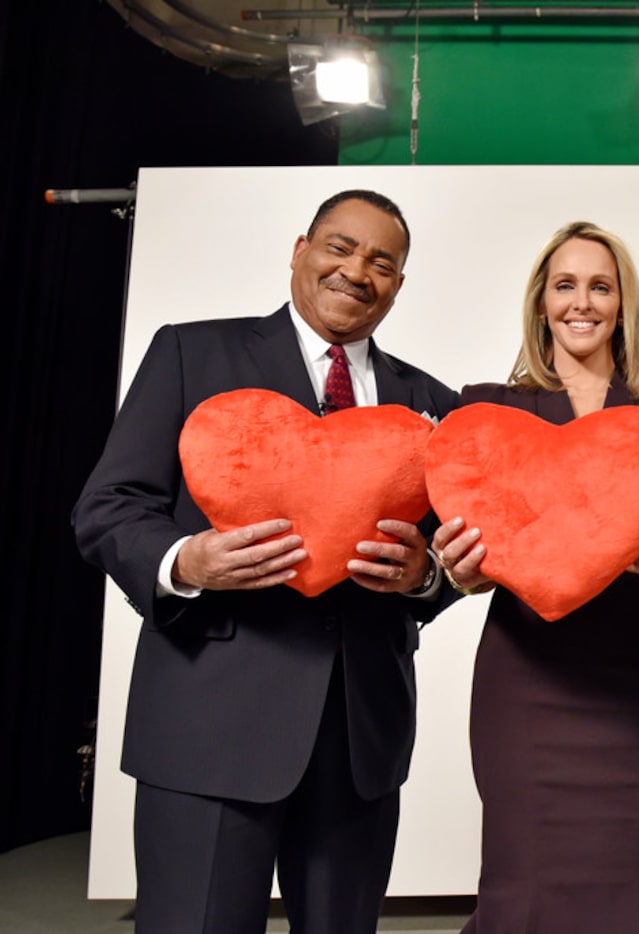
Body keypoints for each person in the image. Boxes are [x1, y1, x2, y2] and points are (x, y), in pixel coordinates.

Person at [72, 189, 459, 933]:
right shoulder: (192, 352)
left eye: (383, 262)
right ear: (300, 251)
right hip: (207, 730)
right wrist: (188, 561)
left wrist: (427, 577)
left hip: (359, 744)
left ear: (400, 285)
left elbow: (450, 554)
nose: (358, 272)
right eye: (340, 247)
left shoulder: (427, 403)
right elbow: (108, 507)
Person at [431, 221, 639, 933]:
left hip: (635, 684)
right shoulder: (486, 411)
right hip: (524, 683)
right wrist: (461, 573)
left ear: (623, 304)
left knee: (629, 886)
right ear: (541, 301)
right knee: (521, 888)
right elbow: (470, 564)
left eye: (600, 286)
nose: (581, 302)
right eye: (565, 285)